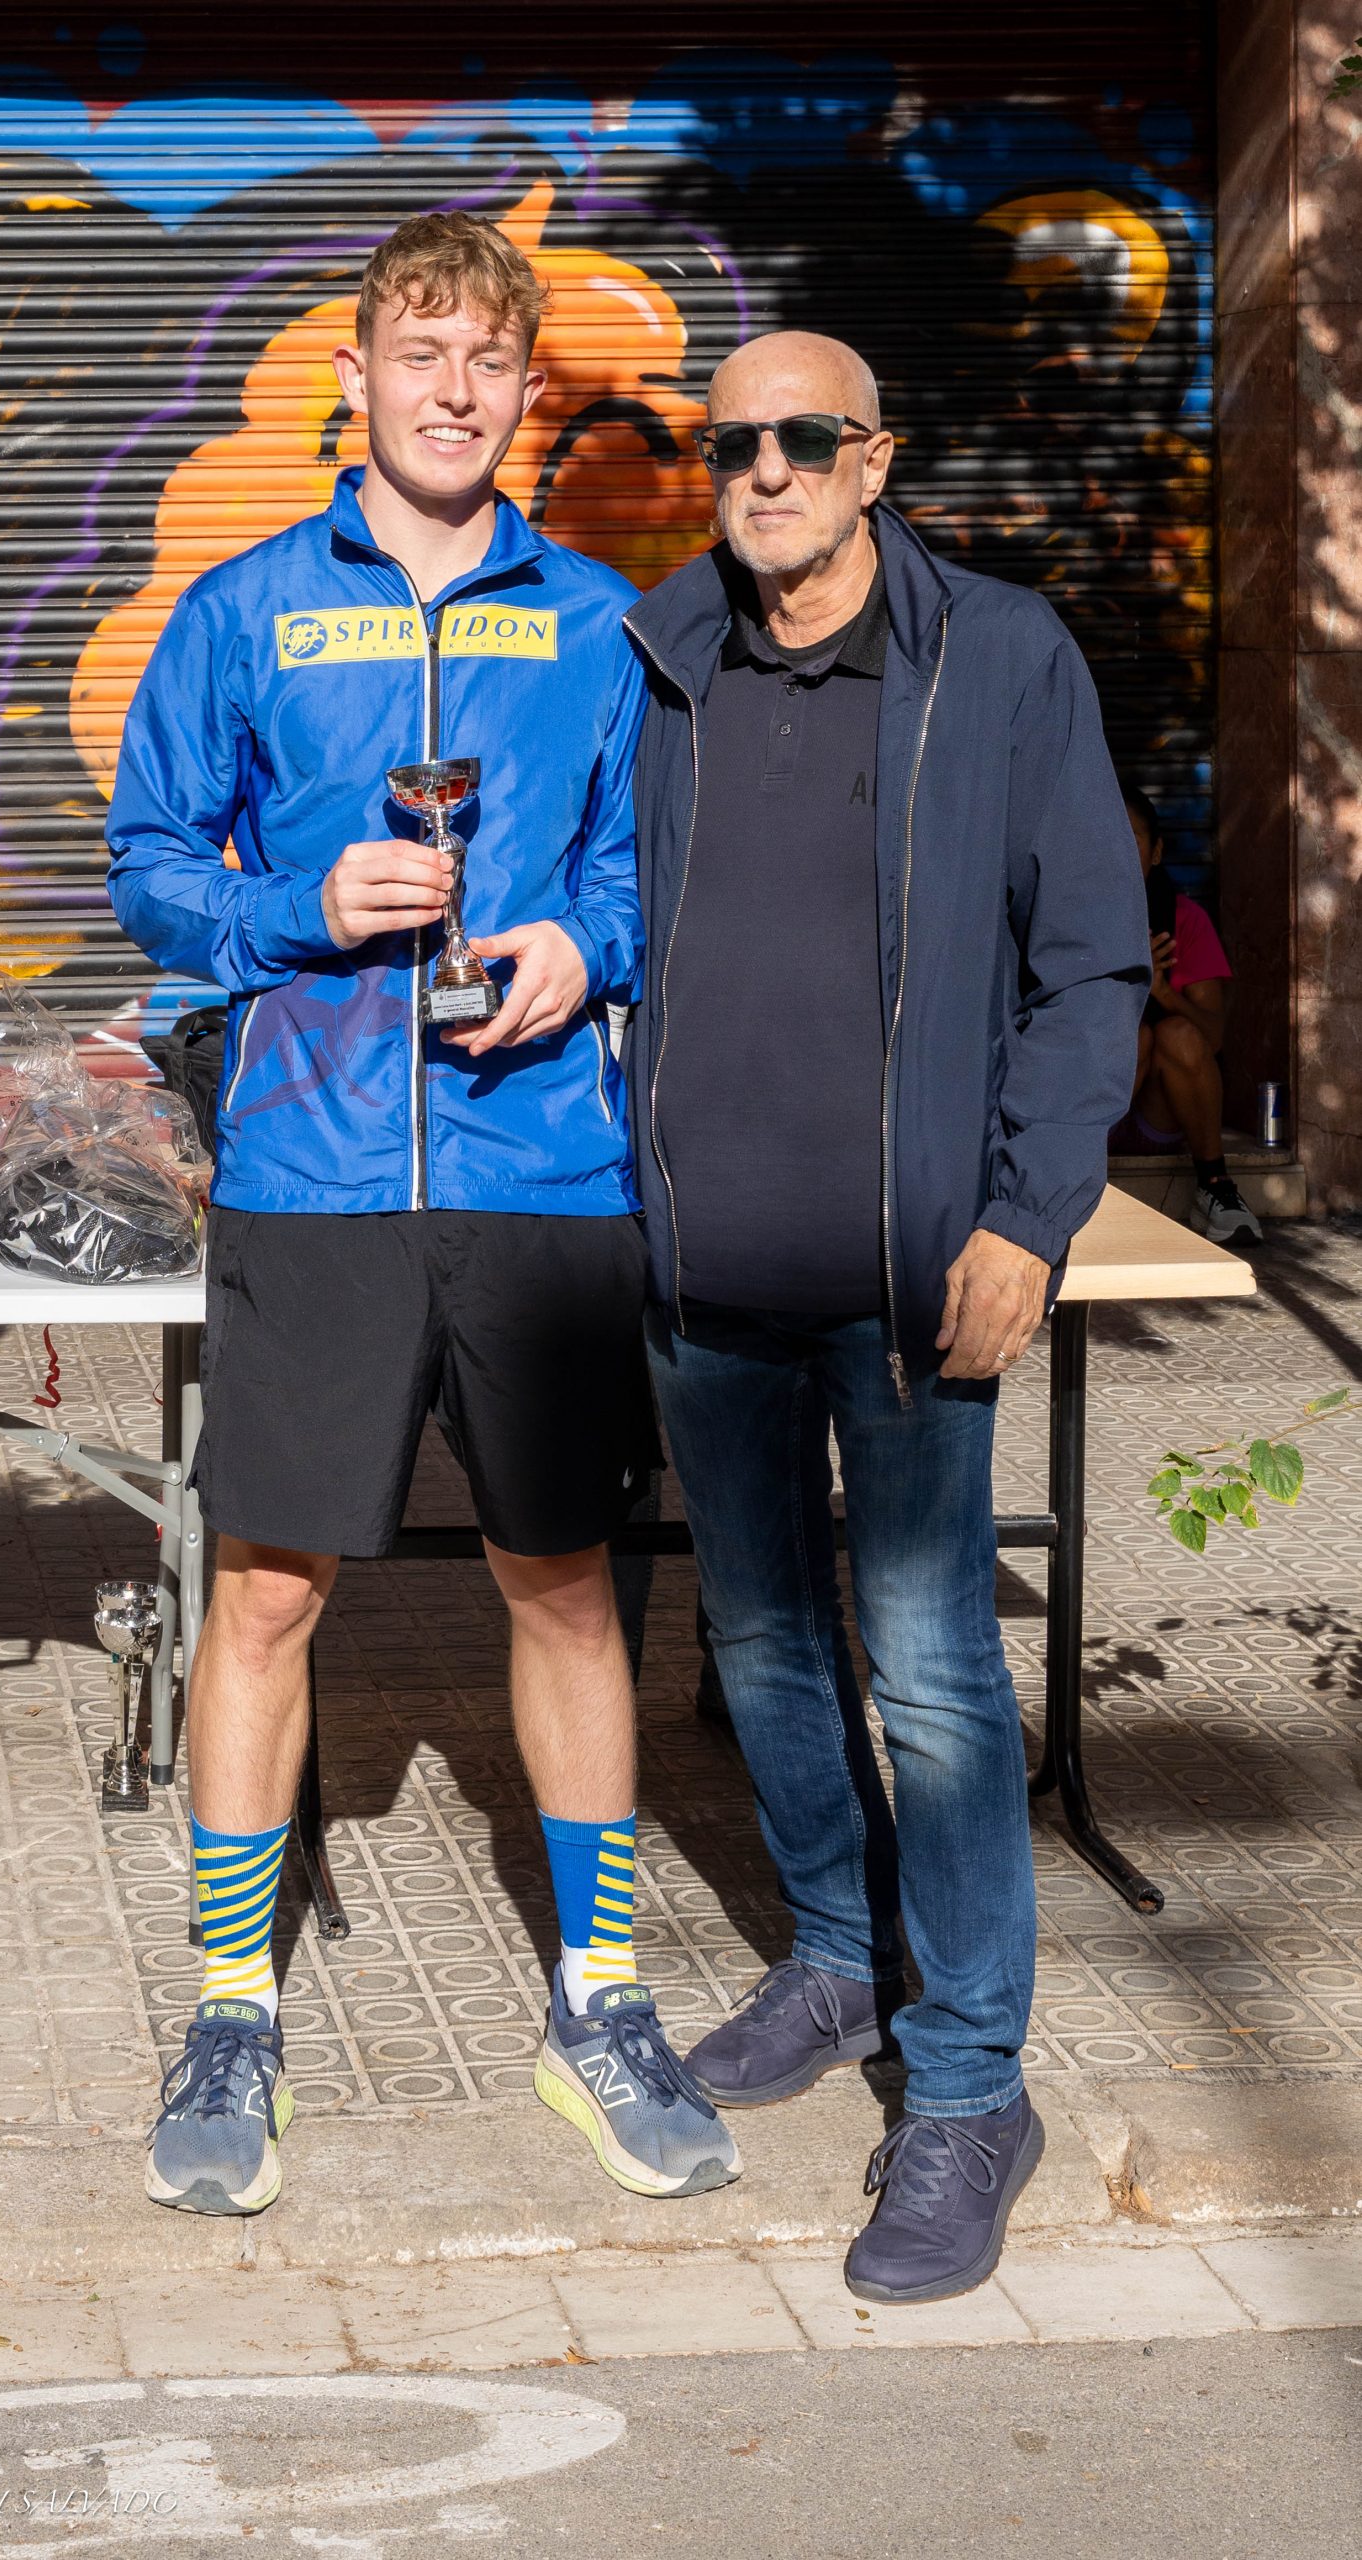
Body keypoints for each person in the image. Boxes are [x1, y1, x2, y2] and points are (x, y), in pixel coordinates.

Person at [107, 212, 736, 2217]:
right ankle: (232, 2010)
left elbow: (652, 869)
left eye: (488, 359)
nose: (454, 391)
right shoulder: (240, 611)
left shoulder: (601, 623)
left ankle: (601, 2000)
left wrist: (583, 949)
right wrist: (297, 906)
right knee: (264, 1596)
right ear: (356, 378)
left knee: (568, 1586)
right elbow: (146, 864)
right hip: (308, 1174)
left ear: (525, 390)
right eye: (420, 352)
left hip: (540, 1170)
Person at [624, 331, 1148, 2305]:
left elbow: (1088, 960)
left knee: (930, 1678)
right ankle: (842, 1959)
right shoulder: (656, 656)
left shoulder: (997, 657)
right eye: (730, 443)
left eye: (803, 438)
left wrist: (1029, 1213)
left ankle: (972, 2087)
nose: (761, 470)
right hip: (703, 1275)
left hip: (915, 1280)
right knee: (760, 1646)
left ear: (873, 461)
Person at [1115, 782, 1261, 1246]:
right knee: (1134, 1036)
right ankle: (1067, 1186)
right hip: (1089, 1114)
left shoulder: (1184, 920)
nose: (1117, 851)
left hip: (1156, 1115)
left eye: (1131, 839)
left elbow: (1213, 1038)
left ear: (1157, 852)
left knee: (1176, 1033)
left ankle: (1216, 1186)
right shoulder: (1063, 917)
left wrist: (1163, 991)